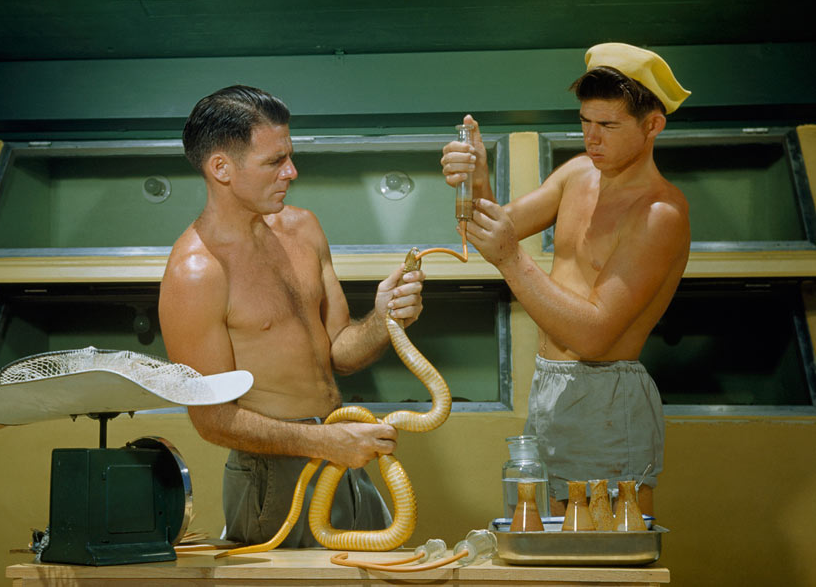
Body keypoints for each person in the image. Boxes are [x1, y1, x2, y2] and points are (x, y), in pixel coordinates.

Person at [159, 85, 426, 547]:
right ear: (220, 168)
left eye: (290, 156)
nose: (292, 172)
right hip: (272, 475)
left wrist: (384, 318)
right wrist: (324, 444)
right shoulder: (195, 273)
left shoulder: (303, 228)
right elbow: (212, 421)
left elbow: (340, 350)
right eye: (274, 162)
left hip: (343, 452)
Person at [440, 43, 692, 515]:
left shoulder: (660, 213)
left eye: (609, 126)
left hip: (607, 396)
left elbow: (594, 336)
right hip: (548, 386)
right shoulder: (579, 172)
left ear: (653, 125)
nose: (591, 139)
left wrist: (511, 259)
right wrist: (474, 178)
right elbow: (490, 230)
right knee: (546, 545)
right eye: (585, 122)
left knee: (605, 553)